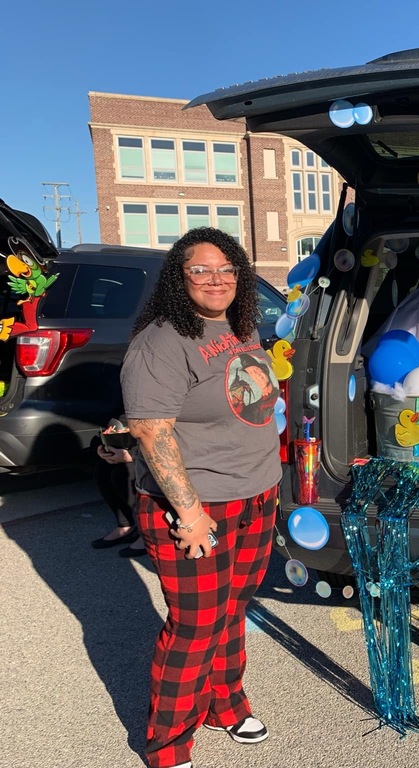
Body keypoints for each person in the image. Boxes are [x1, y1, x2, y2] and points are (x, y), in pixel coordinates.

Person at [120, 227, 282, 768]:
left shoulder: (239, 325)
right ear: (178, 277)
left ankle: (226, 704)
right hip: (195, 506)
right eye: (200, 269)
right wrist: (189, 514)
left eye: (227, 269)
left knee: (232, 609)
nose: (216, 279)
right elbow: (151, 429)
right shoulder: (162, 340)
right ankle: (168, 742)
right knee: (195, 625)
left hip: (256, 494)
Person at [92, 442, 147, 557]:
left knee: (122, 474)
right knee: (102, 469)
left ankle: (147, 533)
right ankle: (126, 526)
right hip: (135, 447)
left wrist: (132, 455)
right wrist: (105, 449)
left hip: (154, 453)